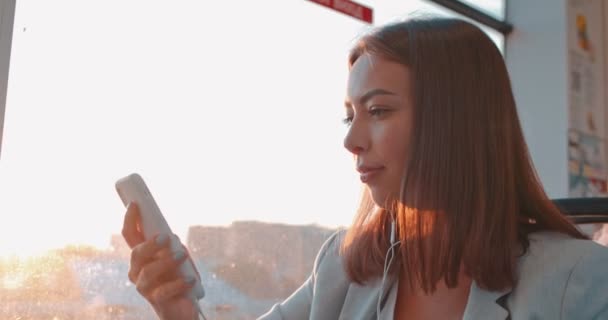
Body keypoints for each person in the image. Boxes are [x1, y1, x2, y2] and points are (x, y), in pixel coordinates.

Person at [121, 17, 608, 319]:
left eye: (378, 112)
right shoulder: (343, 265)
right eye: (349, 115)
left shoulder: (578, 282)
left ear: (456, 121)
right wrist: (177, 309)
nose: (352, 141)